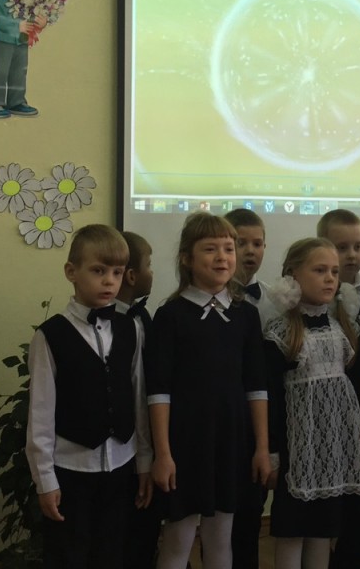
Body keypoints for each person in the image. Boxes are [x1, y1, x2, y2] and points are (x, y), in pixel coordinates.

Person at [146, 212, 271, 569]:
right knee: (179, 538)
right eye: (210, 249)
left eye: (228, 249)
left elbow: (256, 387)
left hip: (231, 440)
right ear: (187, 258)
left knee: (221, 538)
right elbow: (158, 391)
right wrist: (163, 454)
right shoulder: (171, 315)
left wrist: (262, 448)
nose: (222, 257)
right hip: (185, 444)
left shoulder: (245, 315)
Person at [26, 224, 153, 569]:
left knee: (112, 554)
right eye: (98, 271)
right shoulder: (50, 336)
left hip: (121, 466)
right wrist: (45, 480)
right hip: (71, 470)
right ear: (72, 272)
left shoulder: (131, 328)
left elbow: (138, 399)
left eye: (117, 272)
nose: (109, 281)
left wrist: (144, 461)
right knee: (70, 555)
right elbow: (40, 414)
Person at [264, 237, 360, 569]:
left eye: (334, 272)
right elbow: (270, 398)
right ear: (293, 275)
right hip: (296, 451)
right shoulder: (282, 332)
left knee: (324, 532)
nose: (329, 279)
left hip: (332, 450)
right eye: (320, 270)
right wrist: (272, 451)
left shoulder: (342, 328)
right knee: (293, 532)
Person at [316, 208, 360, 569]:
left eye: (358, 246)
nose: (352, 255)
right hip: (324, 409)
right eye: (342, 247)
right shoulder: (314, 294)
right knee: (326, 500)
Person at [224, 207, 276, 569]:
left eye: (257, 243)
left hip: (261, 418)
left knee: (250, 513)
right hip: (223, 416)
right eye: (240, 243)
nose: (250, 251)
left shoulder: (276, 299)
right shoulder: (201, 301)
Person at [114, 230, 159, 569]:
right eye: (149, 265)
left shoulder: (143, 317)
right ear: (131, 276)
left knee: (144, 531)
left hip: (145, 444)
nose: (152, 272)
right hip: (119, 445)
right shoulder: (111, 323)